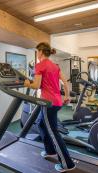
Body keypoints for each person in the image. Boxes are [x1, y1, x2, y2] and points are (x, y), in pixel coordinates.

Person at [24, 42, 75, 172]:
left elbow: (36, 85)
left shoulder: (40, 65)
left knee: (53, 132)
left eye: (37, 51)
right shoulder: (54, 66)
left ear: (40, 52)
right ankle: (50, 150)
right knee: (41, 124)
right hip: (56, 102)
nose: (37, 54)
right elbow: (64, 82)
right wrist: (67, 96)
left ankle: (67, 164)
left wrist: (26, 84)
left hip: (48, 103)